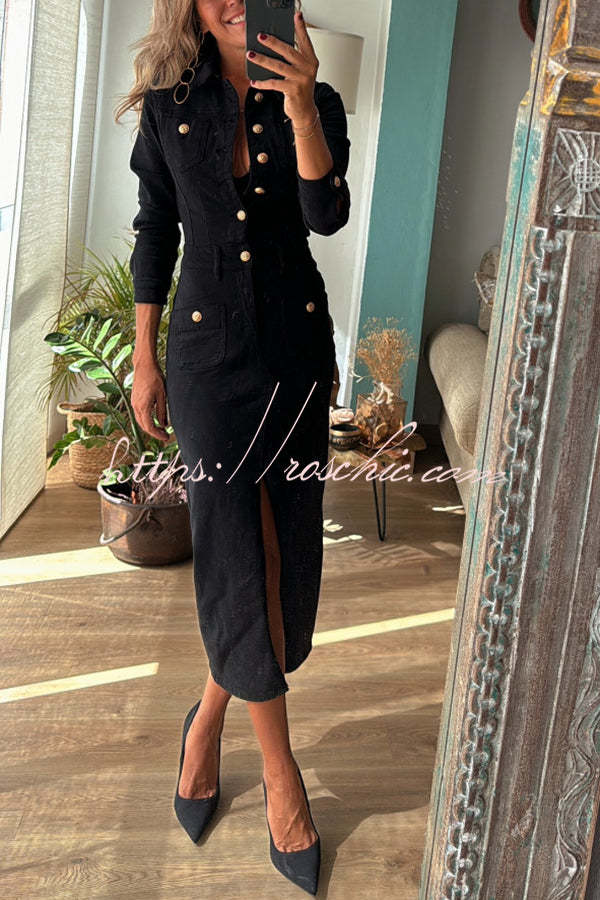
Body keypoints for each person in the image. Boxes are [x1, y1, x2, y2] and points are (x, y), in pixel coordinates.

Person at [115, 1, 350, 893]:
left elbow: (326, 215)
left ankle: (208, 718)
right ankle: (282, 775)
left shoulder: (316, 98)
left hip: (295, 352)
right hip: (207, 359)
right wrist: (143, 357)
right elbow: (155, 228)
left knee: (283, 552)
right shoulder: (169, 104)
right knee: (236, 555)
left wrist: (301, 107)